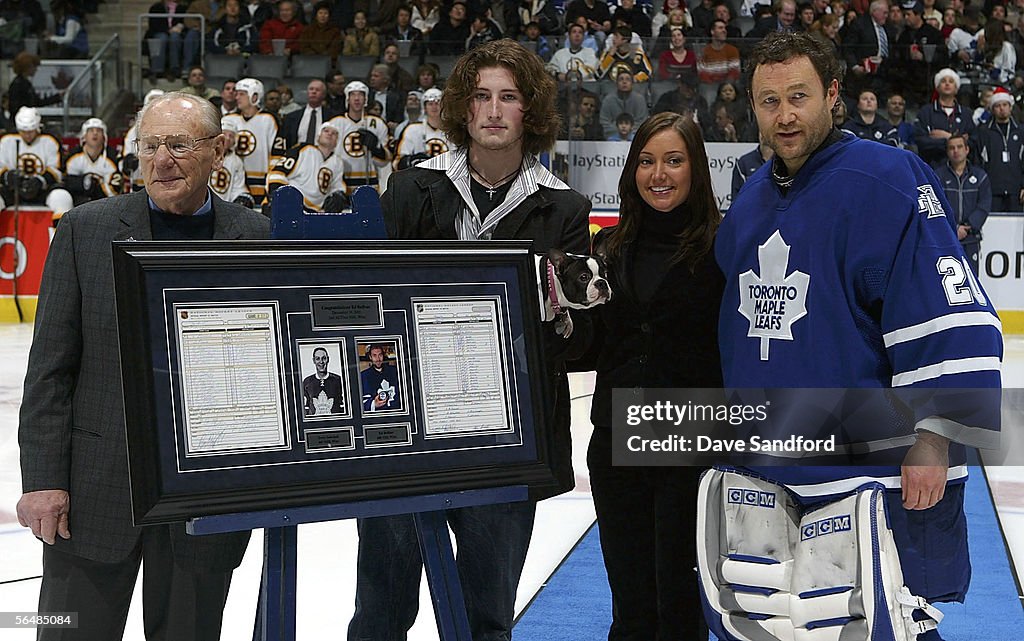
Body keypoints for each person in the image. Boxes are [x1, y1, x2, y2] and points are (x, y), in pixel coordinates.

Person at [715, 31, 1002, 641]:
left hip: (872, 469)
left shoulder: (888, 178)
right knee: (782, 623)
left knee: (888, 624)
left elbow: (947, 310)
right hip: (773, 467)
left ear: (833, 95)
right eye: (769, 101)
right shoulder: (751, 200)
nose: (785, 115)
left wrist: (934, 441)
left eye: (799, 96)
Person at [348, 39, 591, 641]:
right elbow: (371, 310)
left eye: (508, 97)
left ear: (529, 112)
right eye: (481, 96)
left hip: (506, 439)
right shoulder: (409, 190)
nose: (493, 109)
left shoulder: (565, 206)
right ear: (462, 107)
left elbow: (569, 341)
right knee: (380, 615)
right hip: (403, 432)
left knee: (486, 619)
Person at [16, 91, 268, 641]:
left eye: (178, 145)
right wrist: (42, 481)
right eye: (149, 146)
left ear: (217, 149)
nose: (161, 160)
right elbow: (49, 372)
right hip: (89, 495)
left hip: (203, 498)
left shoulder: (253, 237)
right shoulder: (86, 230)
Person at [588, 109, 722, 641]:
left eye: (673, 160)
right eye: (646, 161)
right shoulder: (609, 247)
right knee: (631, 602)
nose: (658, 174)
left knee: (680, 603)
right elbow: (595, 345)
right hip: (616, 440)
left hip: (690, 441)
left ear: (696, 169)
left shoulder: (721, 248)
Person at [222, 77, 285, 204]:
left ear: (254, 96)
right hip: (234, 181)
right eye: (236, 94)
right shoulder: (229, 119)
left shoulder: (269, 119)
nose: (237, 97)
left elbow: (277, 154)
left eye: (242, 94)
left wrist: (272, 181)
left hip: (261, 182)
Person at [0, 107, 73, 217]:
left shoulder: (50, 140)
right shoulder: (6, 140)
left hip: (42, 190)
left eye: (31, 131)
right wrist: (7, 176)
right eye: (24, 132)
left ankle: (61, 234)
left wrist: (41, 180)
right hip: (13, 189)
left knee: (62, 197)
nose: (27, 135)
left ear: (38, 127)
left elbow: (57, 171)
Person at [936, 134, 990, 275]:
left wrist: (967, 227)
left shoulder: (980, 176)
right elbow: (936, 205)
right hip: (946, 238)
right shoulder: (938, 176)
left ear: (967, 150)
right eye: (951, 148)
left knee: (972, 280)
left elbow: (984, 205)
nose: (956, 151)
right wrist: (953, 228)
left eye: (959, 147)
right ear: (947, 152)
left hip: (971, 238)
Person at [266, 121, 348, 211]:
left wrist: (338, 196)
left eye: (334, 133)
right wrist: (278, 197)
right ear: (318, 136)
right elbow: (277, 173)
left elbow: (337, 186)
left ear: (337, 141)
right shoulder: (303, 150)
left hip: (314, 212)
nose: (330, 134)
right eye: (326, 130)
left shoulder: (337, 162)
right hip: (291, 205)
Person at [327, 81, 391, 194]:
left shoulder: (377, 123)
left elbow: (386, 160)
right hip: (342, 182)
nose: (357, 98)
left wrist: (376, 148)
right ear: (347, 98)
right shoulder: (335, 123)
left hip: (369, 182)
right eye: (353, 95)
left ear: (366, 99)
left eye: (360, 95)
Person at [914, 68, 975, 166]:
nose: (947, 84)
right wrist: (957, 142)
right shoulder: (926, 112)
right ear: (937, 87)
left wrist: (948, 137)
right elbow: (921, 141)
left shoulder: (965, 114)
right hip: (932, 166)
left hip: (960, 170)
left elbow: (973, 142)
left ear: (956, 88)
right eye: (943, 81)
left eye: (951, 81)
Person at [977, 86, 1024, 212]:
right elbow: (978, 161)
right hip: (992, 189)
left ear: (1011, 107)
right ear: (992, 109)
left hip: (1016, 190)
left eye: (1005, 105)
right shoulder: (984, 132)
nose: (1002, 109)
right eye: (998, 106)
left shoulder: (1021, 131)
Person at [63, 117, 123, 206]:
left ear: (104, 136)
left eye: (98, 130)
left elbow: (115, 188)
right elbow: (67, 183)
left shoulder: (114, 157)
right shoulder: (73, 155)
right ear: (84, 136)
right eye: (91, 130)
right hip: (78, 202)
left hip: (105, 203)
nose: (95, 133)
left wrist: (94, 187)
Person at [393, 87, 448, 169]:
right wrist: (412, 161)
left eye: (437, 103)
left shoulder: (453, 131)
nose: (434, 107)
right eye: (430, 103)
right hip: (420, 179)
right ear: (424, 107)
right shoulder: (412, 130)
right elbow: (397, 163)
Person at [209, 118, 253, 207]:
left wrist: (241, 197)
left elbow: (237, 188)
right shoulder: (205, 155)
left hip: (224, 207)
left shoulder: (237, 161)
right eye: (225, 134)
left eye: (231, 136)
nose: (228, 138)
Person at [7, 51, 62, 118]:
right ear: (27, 67)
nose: (36, 69)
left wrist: (58, 97)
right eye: (34, 67)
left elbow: (38, 102)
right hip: (21, 120)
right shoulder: (18, 85)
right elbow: (14, 107)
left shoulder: (26, 84)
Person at [600, 69, 649, 138]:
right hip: (612, 137)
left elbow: (642, 122)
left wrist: (628, 132)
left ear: (632, 83)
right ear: (616, 83)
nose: (624, 82)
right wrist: (620, 131)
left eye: (628, 79)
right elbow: (604, 123)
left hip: (635, 137)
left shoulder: (639, 99)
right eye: (621, 79)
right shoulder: (608, 100)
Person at [302, 346, 346, 416]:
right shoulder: (307, 382)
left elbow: (343, 406)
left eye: (324, 358)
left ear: (328, 359)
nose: (321, 362)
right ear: (314, 360)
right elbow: (306, 408)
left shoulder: (338, 380)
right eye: (317, 359)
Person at [359, 344, 402, 412]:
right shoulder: (364, 376)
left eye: (380, 355)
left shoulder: (396, 371)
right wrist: (374, 404)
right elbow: (361, 402)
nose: (378, 359)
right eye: (374, 355)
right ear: (370, 357)